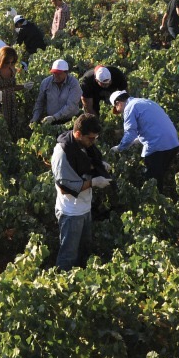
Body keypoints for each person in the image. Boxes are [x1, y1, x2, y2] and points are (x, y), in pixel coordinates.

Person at [51, 113, 111, 270]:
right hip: (71, 212)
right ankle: (61, 286)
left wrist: (99, 165)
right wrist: (94, 182)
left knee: (84, 250)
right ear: (78, 133)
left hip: (84, 208)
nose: (93, 142)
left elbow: (86, 163)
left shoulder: (82, 146)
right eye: (91, 138)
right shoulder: (63, 153)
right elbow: (65, 188)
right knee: (68, 255)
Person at [110, 91, 179, 189]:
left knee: (151, 184)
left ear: (118, 103)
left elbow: (130, 133)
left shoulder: (129, 108)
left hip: (158, 146)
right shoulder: (145, 102)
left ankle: (156, 203)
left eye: (117, 109)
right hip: (173, 144)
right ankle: (164, 200)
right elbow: (151, 127)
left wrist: (119, 148)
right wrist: (135, 141)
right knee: (159, 177)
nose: (120, 113)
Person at [31, 59, 82, 126]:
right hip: (51, 121)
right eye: (54, 73)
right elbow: (40, 102)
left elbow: (71, 105)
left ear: (66, 73)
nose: (56, 76)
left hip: (70, 121)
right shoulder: (46, 82)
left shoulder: (74, 83)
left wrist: (55, 117)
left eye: (59, 74)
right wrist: (35, 119)